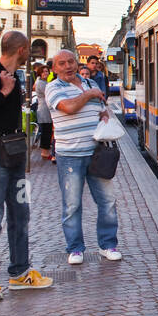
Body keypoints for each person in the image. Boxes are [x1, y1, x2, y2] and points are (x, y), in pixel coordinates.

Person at [0, 30, 54, 300]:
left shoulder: (15, 76)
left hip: (14, 156)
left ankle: (19, 273)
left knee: (21, 214)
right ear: (21, 50)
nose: (30, 53)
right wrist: (4, 92)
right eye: (28, 49)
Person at [46, 50, 121, 265]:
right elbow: (68, 108)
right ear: (54, 68)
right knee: (72, 205)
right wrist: (89, 95)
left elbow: (102, 110)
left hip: (97, 153)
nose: (68, 66)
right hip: (70, 156)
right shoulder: (54, 88)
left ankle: (108, 245)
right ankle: (75, 249)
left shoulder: (89, 85)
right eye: (62, 63)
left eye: (71, 61)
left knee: (107, 202)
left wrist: (104, 116)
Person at [33, 63, 54, 163]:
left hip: (46, 109)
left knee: (48, 130)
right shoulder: (41, 83)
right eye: (44, 71)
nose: (46, 73)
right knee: (46, 130)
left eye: (47, 71)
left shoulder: (44, 82)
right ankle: (45, 152)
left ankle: (45, 151)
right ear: (40, 73)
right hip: (44, 109)